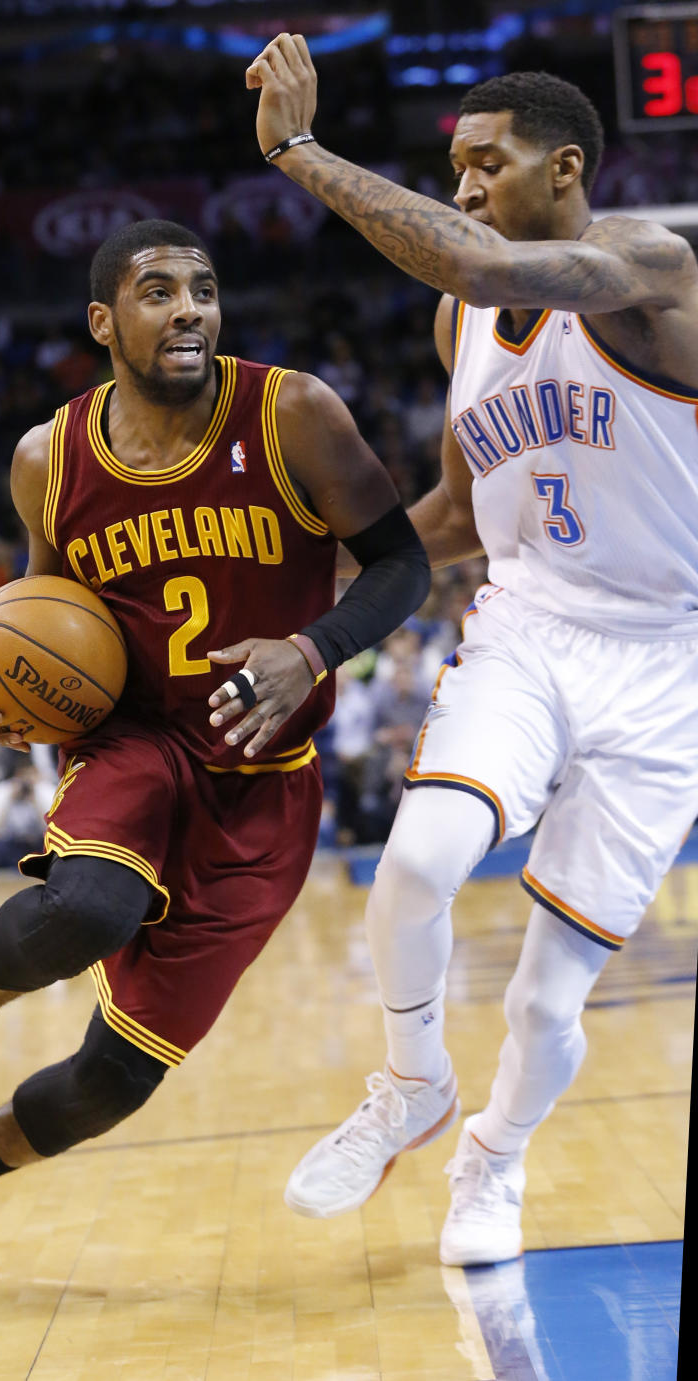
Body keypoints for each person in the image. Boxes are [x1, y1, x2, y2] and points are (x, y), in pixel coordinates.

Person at [0, 220, 431, 1318]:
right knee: (87, 905)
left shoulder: (293, 412)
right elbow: (43, 625)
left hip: (266, 777)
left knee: (110, 1082)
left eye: (206, 290)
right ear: (103, 322)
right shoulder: (50, 457)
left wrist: (311, 647)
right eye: (159, 291)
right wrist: (5, 698)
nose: (190, 308)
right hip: (135, 739)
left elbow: (402, 560)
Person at [246, 37, 698, 1265]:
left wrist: (297, 151)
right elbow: (455, 513)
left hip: (669, 663)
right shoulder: (465, 322)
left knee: (550, 1000)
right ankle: (412, 1080)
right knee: (418, 865)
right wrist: (293, 578)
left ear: (565, 169)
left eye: (483, 165)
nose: (461, 189)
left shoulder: (654, 268)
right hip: (530, 627)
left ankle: (492, 1160)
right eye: (453, 168)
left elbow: (489, 258)